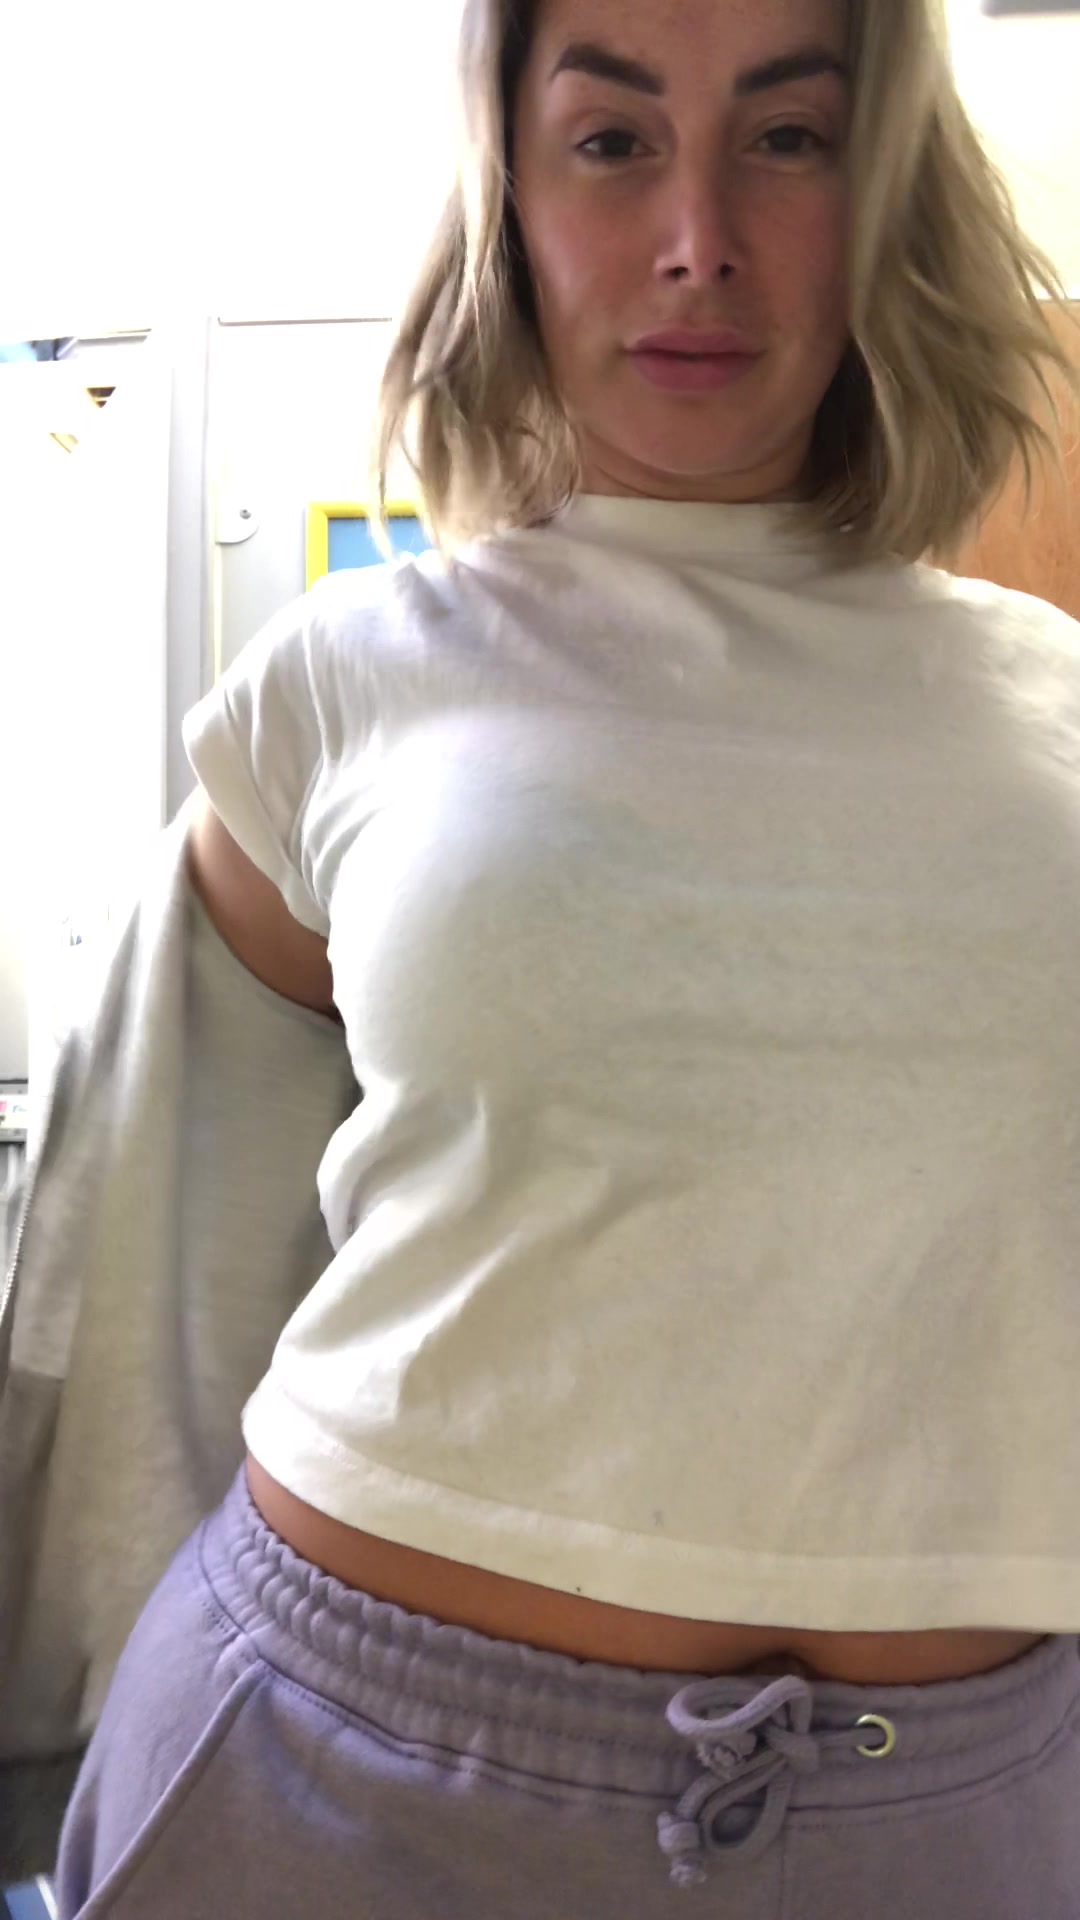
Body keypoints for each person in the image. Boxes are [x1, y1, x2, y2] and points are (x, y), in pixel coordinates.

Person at [53, 0, 1080, 1912]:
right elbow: (156, 1267)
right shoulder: (343, 686)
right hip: (329, 1778)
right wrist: (69, 1686)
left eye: (789, 138)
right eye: (611, 142)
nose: (699, 239)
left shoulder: (1060, 714)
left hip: (944, 1822)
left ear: (886, 192)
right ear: (508, 200)